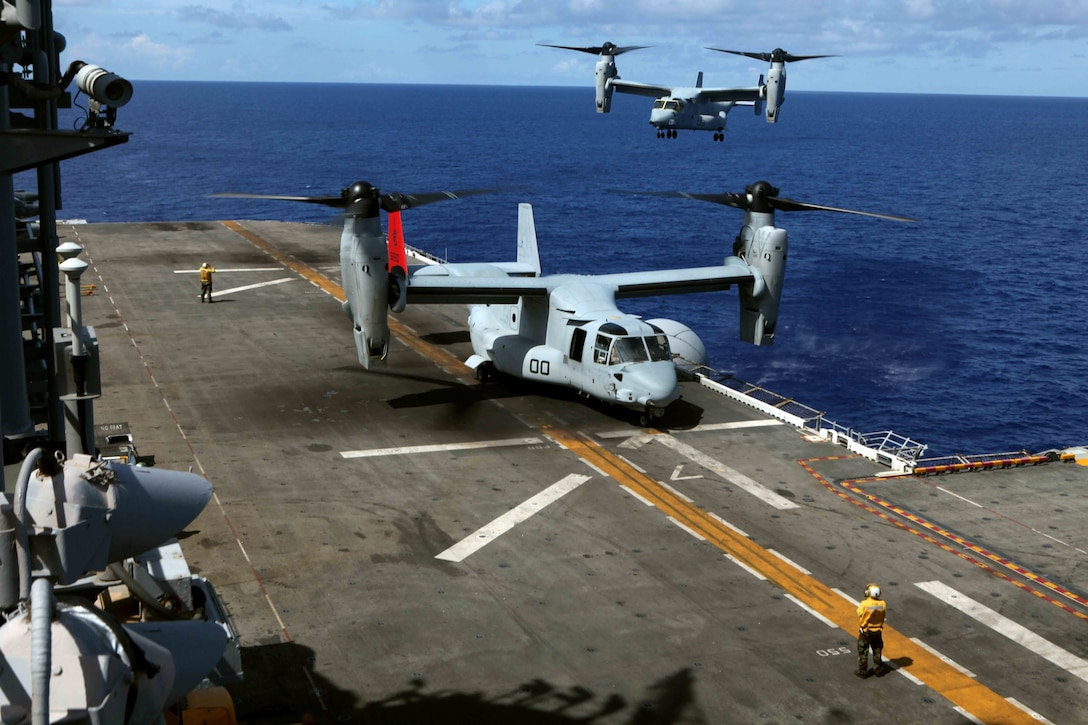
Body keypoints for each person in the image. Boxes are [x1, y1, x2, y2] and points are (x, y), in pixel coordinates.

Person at [856, 583, 888, 678]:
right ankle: (878, 669)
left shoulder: (865, 603)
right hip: (878, 630)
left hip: (866, 631)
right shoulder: (883, 603)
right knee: (877, 649)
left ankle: (863, 671)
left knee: (863, 651)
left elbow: (858, 613)